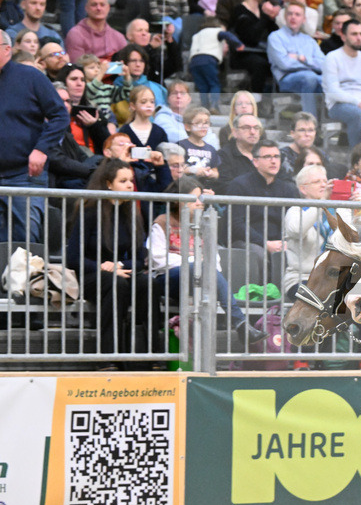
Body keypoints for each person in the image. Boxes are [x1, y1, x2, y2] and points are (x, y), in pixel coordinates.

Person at [149, 176, 266, 343]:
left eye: (201, 198)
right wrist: (194, 263)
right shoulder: (162, 222)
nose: (200, 202)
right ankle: (240, 323)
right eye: (195, 198)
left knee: (207, 270)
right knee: (203, 268)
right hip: (168, 279)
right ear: (180, 200)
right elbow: (158, 258)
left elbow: (215, 259)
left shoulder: (204, 224)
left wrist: (203, 268)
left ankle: (239, 326)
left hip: (201, 278)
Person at [66, 159, 155, 362]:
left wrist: (119, 265)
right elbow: (73, 258)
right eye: (123, 181)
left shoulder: (131, 214)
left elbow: (141, 260)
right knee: (116, 283)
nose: (130, 185)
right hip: (90, 275)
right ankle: (108, 357)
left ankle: (150, 356)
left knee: (147, 283)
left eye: (131, 180)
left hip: (118, 272)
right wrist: (103, 267)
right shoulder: (89, 211)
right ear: (108, 184)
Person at [0, 30, 69, 243]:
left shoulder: (31, 77)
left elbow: (60, 115)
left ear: (7, 49)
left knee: (25, 245)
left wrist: (41, 148)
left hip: (25, 175)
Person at [223, 139, 298, 263]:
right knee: (257, 254)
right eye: (267, 157)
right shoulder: (239, 185)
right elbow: (236, 224)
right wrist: (265, 243)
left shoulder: (287, 189)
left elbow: (290, 222)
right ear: (255, 161)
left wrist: (282, 242)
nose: (273, 161)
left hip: (278, 241)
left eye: (276, 156)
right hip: (246, 241)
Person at [282, 163, 332, 299]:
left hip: (336, 278)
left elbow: (357, 237)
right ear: (303, 189)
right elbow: (297, 231)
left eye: (325, 181)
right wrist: (322, 202)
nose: (323, 185)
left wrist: (357, 210)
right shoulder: (295, 211)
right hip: (302, 278)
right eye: (317, 182)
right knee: (325, 297)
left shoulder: (335, 211)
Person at [267, 1, 325, 116]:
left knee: (327, 81)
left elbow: (324, 64)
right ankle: (309, 122)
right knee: (310, 78)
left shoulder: (309, 41)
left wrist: (302, 58)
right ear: (285, 17)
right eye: (290, 14)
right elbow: (285, 64)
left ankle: (326, 122)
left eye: (297, 14)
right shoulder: (275, 37)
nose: (293, 17)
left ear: (304, 19)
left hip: (312, 76)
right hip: (286, 78)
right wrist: (311, 64)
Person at [323, 19, 361, 148]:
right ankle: (357, 156)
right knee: (357, 114)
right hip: (338, 105)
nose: (359, 38)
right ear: (343, 37)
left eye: (360, 34)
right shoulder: (332, 57)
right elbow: (333, 91)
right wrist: (359, 103)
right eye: (354, 34)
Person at [229, 0, 277, 95]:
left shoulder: (262, 10)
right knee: (260, 64)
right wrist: (266, 17)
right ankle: (256, 100)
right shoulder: (240, 10)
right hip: (243, 53)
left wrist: (273, 17)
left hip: (262, 51)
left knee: (278, 61)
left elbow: (275, 33)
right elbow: (251, 37)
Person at [188, 16, 245, 111]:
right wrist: (238, 44)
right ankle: (214, 106)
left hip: (194, 61)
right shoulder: (216, 31)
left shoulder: (196, 35)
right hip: (208, 59)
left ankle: (205, 107)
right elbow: (228, 35)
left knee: (203, 86)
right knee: (214, 84)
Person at [65, 0, 129, 62]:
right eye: (94, 5)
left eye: (102, 5)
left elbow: (125, 66)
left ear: (108, 8)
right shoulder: (75, 34)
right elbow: (78, 66)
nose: (98, 8)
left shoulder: (119, 38)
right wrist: (112, 65)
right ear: (86, 8)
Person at [125, 17, 181, 85]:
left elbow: (175, 65)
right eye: (139, 30)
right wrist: (150, 47)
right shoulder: (123, 54)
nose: (144, 33)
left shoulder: (153, 54)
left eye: (147, 31)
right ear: (129, 35)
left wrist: (169, 39)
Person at [216, 112, 262, 185]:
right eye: (246, 128)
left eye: (256, 128)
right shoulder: (223, 156)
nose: (252, 132)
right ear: (234, 132)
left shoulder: (267, 154)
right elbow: (225, 186)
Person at [278, 111, 323, 178]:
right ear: (292, 133)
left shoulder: (321, 155)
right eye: (302, 130)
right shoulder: (282, 156)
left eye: (310, 130)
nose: (307, 134)